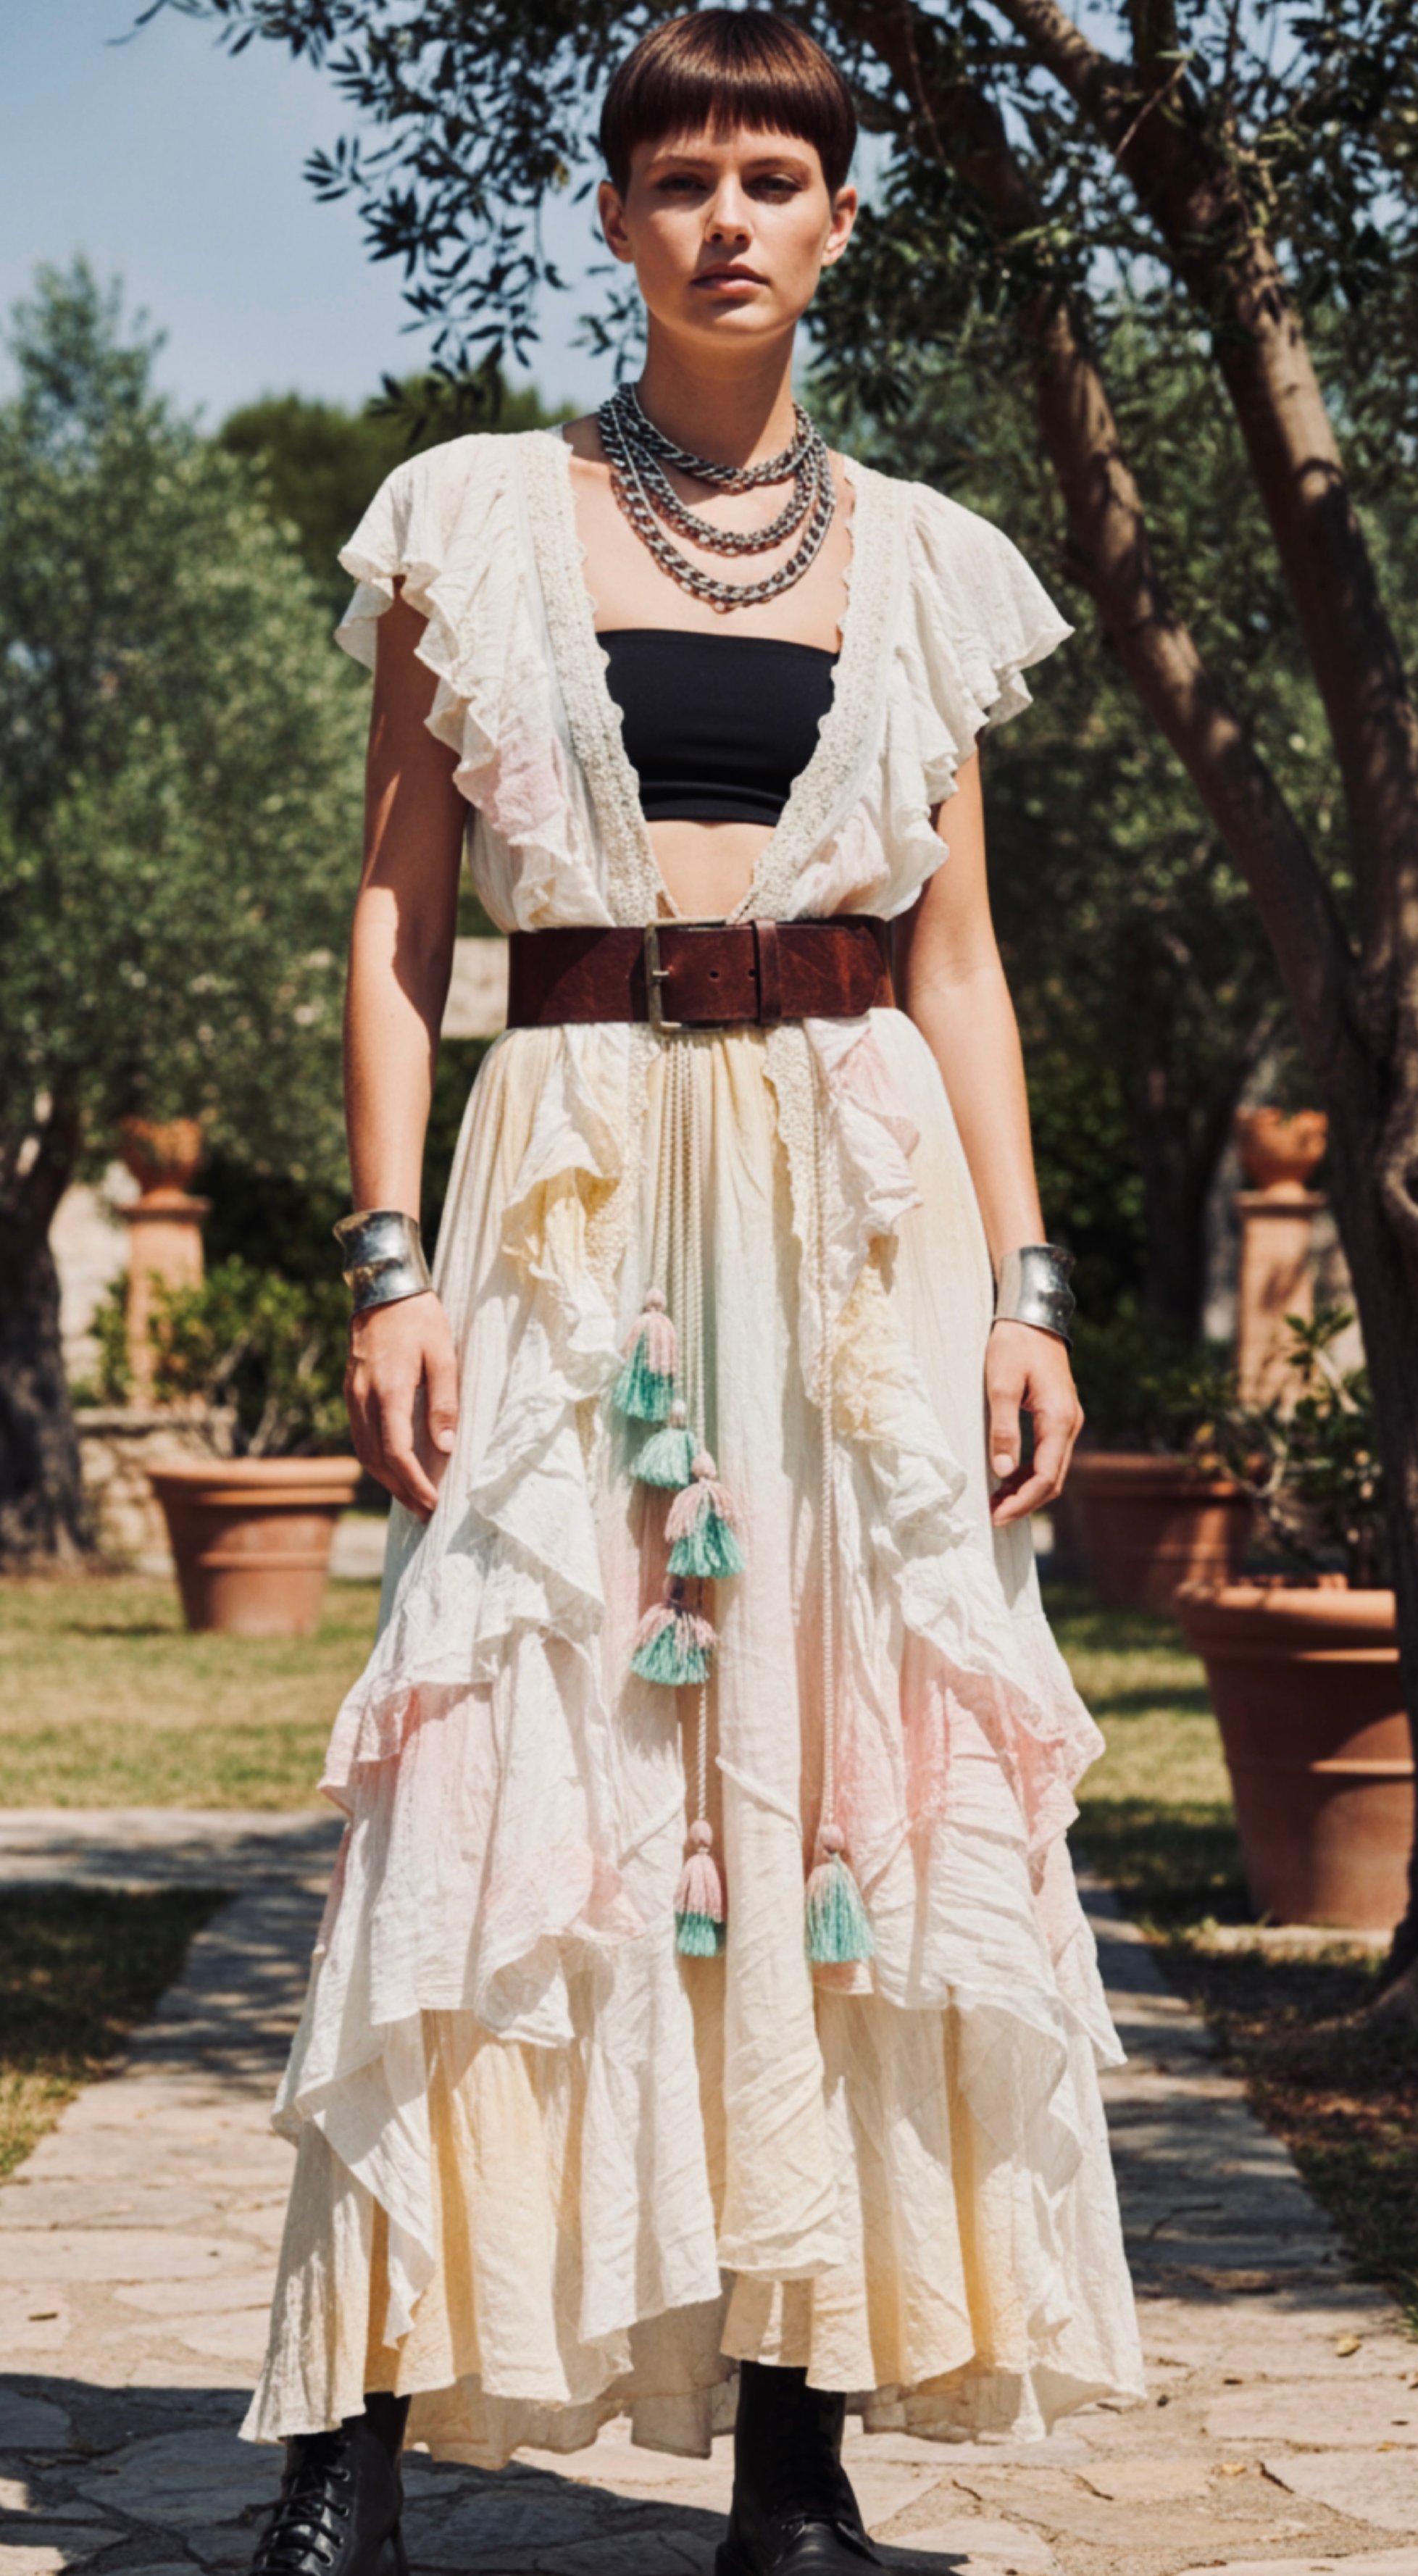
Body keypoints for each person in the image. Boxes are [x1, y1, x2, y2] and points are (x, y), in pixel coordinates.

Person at [241, 14, 1144, 2575]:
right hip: (571, 1181)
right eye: (681, 176)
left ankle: (796, 2463)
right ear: (616, 214)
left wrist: (1030, 1288)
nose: (727, 216)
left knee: (833, 1763)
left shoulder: (932, 562)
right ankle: (347, 2451)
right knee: (501, 1743)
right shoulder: (473, 520)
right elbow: (400, 915)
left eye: (773, 176)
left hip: (856, 1209)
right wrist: (383, 1261)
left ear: (842, 218)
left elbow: (961, 964)